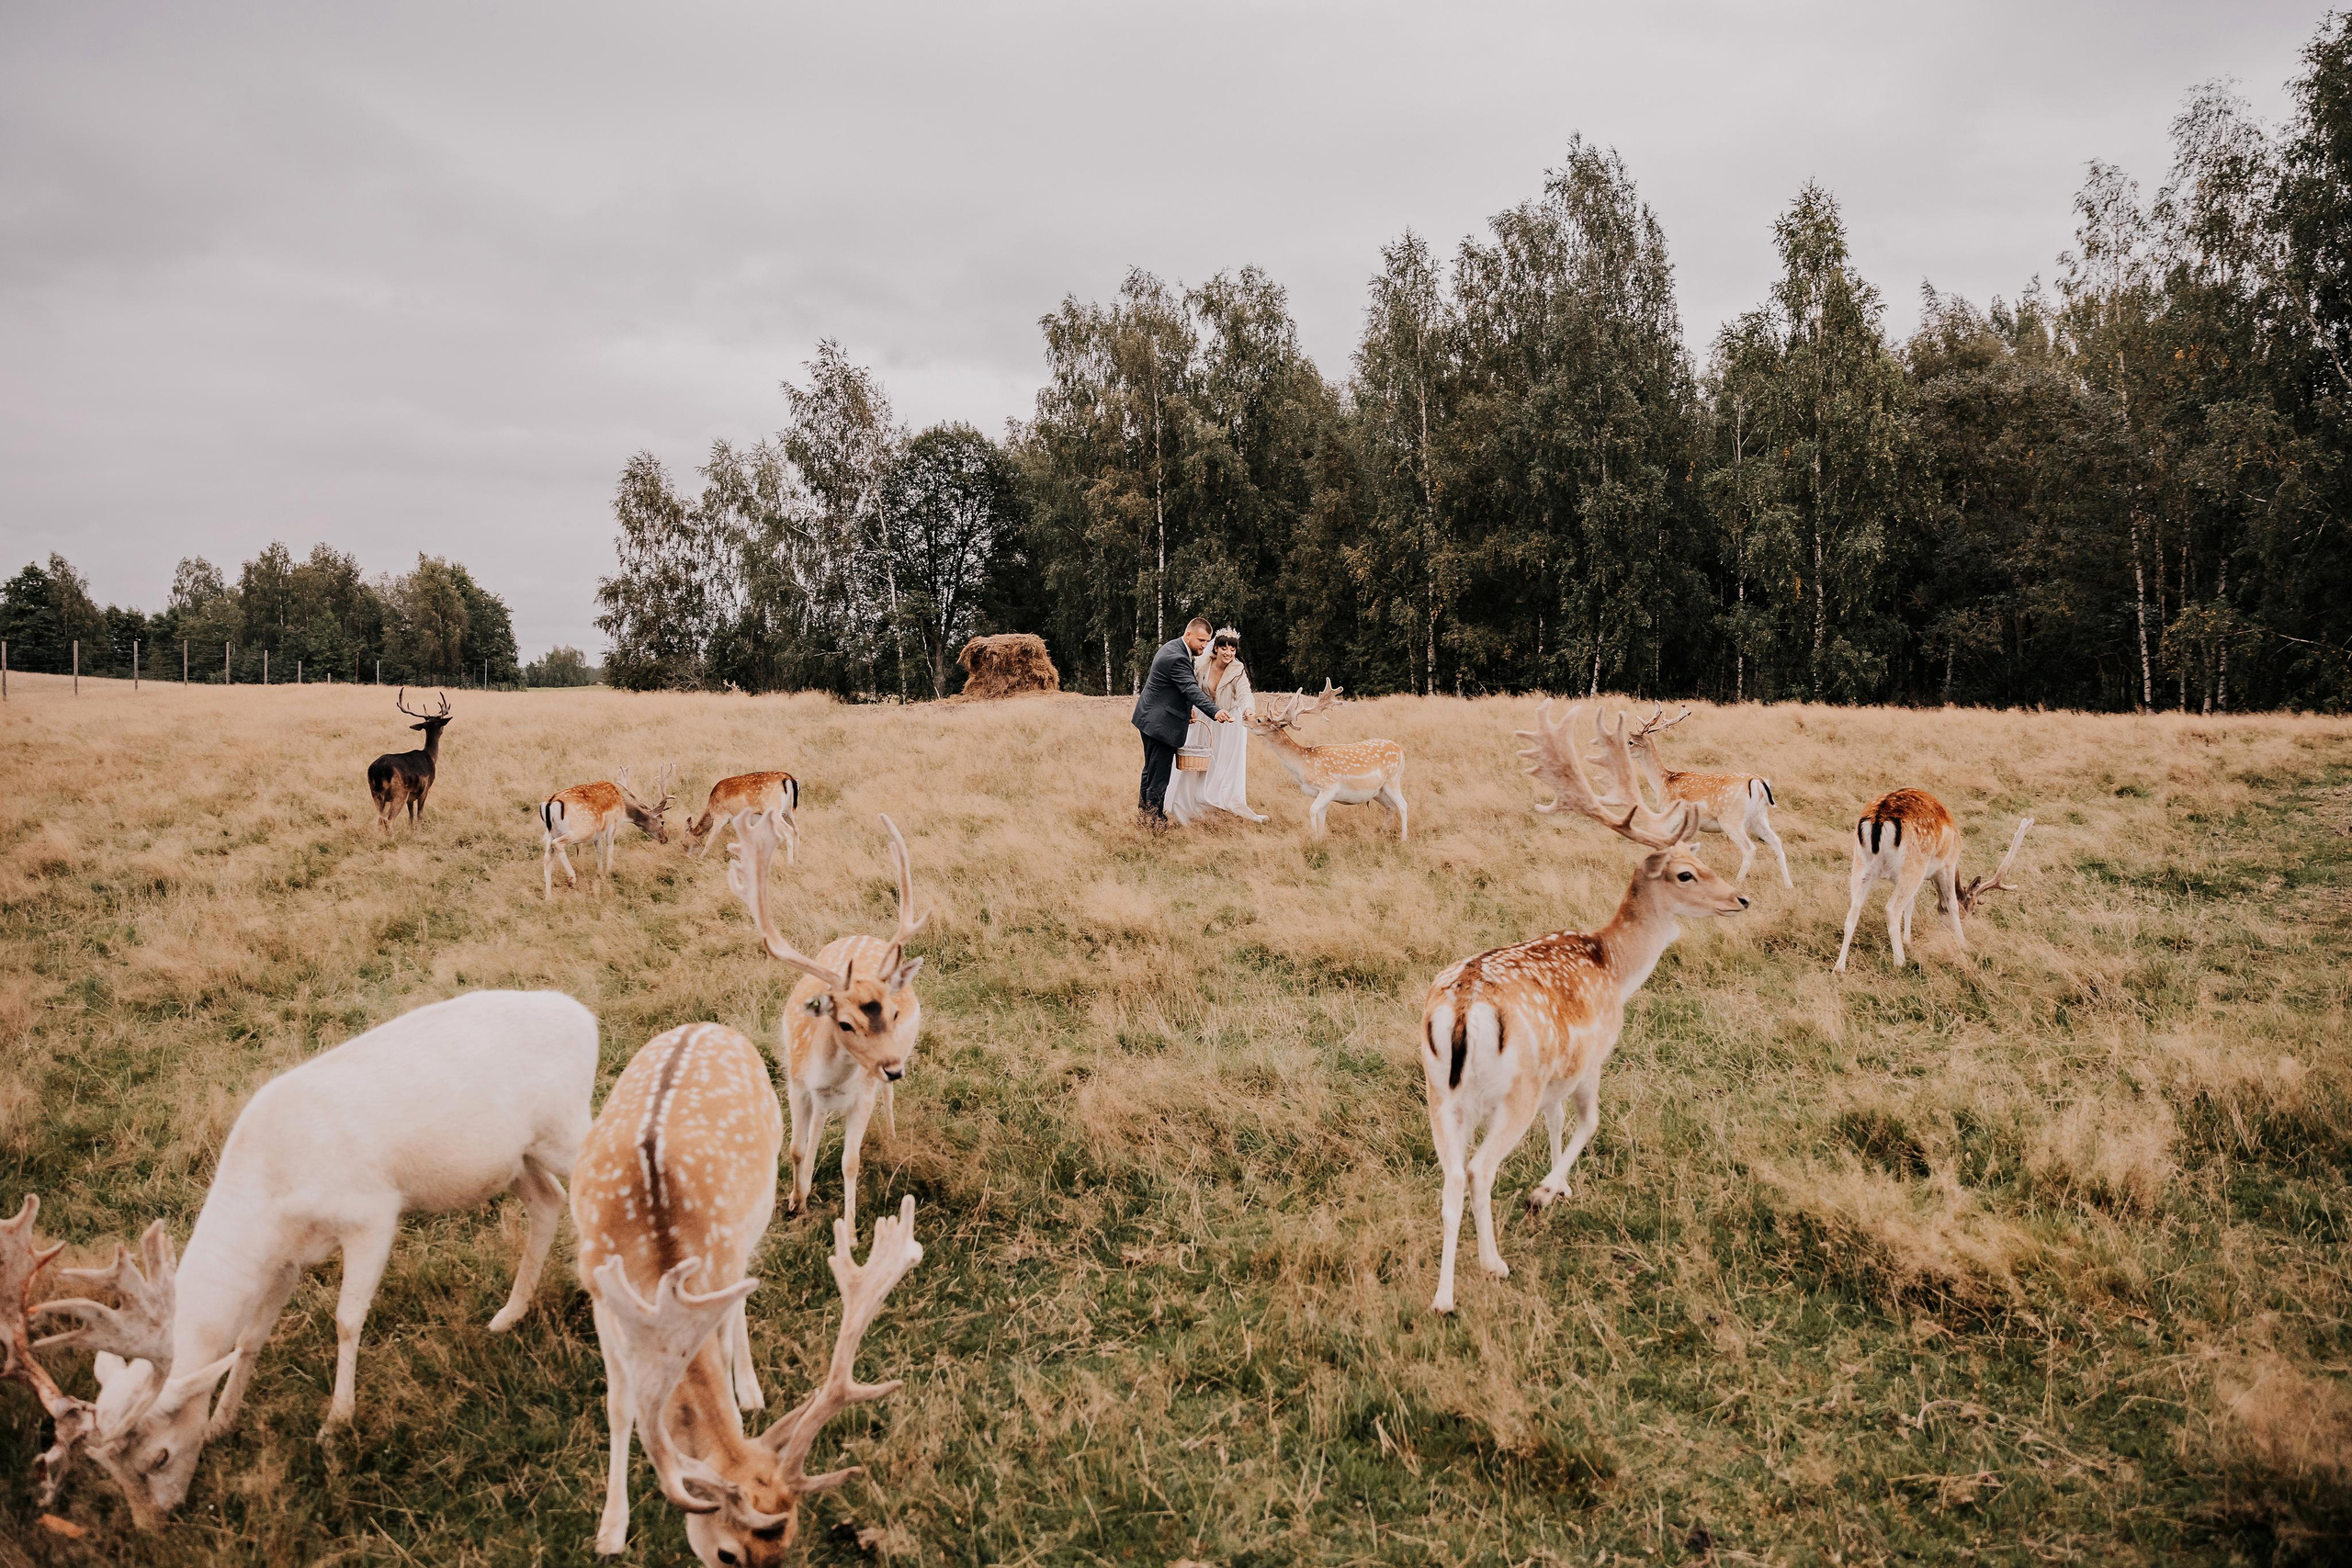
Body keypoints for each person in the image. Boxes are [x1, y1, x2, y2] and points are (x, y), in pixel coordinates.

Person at [1130, 616, 1230, 829]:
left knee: (1150, 769)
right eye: (1202, 641)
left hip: (1150, 717)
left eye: (1207, 641)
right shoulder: (1177, 657)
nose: (1205, 645)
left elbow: (1175, 687)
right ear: (1189, 635)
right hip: (1160, 724)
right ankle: (1155, 821)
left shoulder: (1174, 647)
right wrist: (1215, 711)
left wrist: (1188, 710)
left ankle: (1144, 815)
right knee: (1159, 774)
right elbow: (1190, 689)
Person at [1166, 626, 1264, 824]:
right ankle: (1189, 804)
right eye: (1225, 648)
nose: (1229, 653)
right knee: (1197, 762)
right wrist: (1189, 709)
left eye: (1233, 650)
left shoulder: (1238, 670)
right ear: (1216, 648)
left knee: (1223, 764)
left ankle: (1219, 803)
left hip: (1229, 722)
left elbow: (1245, 693)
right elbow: (1190, 689)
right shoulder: (1202, 665)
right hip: (1205, 720)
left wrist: (1249, 710)